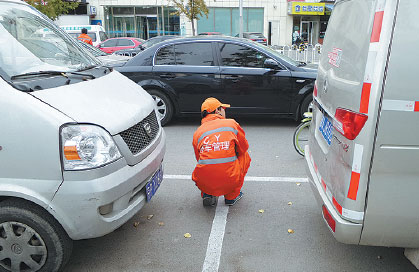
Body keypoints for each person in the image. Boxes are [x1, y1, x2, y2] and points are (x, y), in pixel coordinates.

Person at [192, 97, 251, 207]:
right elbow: (243, 147)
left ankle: (207, 192)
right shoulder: (231, 124)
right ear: (217, 111)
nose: (225, 111)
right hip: (230, 179)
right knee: (245, 156)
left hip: (204, 180)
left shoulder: (198, 132)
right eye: (223, 108)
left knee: (207, 162)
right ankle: (231, 197)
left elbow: (199, 158)